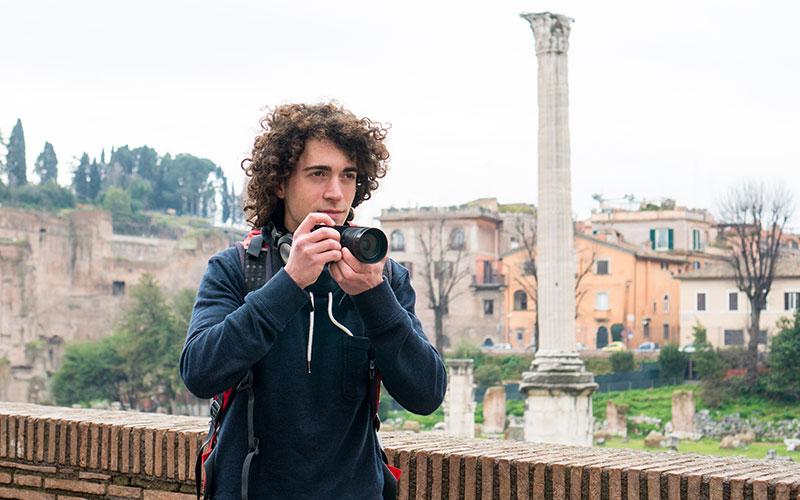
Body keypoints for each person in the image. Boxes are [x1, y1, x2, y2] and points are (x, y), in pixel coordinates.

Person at [180, 102, 447, 499]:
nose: (336, 193)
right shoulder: (236, 269)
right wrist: (289, 284)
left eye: (348, 175)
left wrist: (375, 298)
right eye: (318, 174)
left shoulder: (382, 276)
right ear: (279, 183)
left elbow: (426, 394)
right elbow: (199, 373)